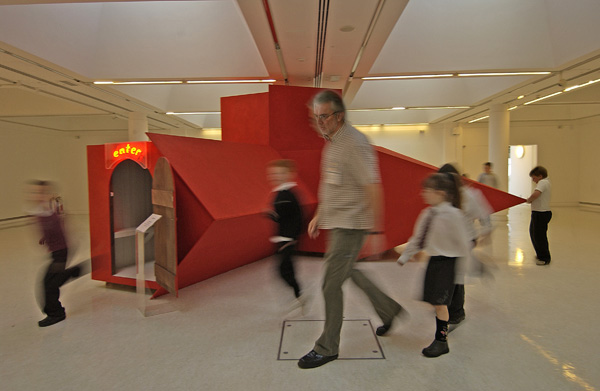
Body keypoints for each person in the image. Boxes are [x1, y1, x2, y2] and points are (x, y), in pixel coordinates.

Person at [297, 90, 403, 369]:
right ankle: (389, 309)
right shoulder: (332, 142)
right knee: (347, 272)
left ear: (339, 115)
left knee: (331, 283)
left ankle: (327, 347)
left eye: (324, 117)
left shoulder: (354, 143)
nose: (319, 123)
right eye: (315, 118)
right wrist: (320, 213)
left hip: (351, 224)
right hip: (338, 222)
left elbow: (372, 185)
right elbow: (334, 184)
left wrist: (378, 231)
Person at [397, 173, 471, 358]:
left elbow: (464, 242)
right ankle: (441, 337)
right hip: (434, 261)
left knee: (440, 303)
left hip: (449, 263)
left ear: (440, 193)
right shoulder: (428, 213)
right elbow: (418, 238)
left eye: (427, 191)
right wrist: (405, 256)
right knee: (434, 301)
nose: (423, 194)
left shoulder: (453, 215)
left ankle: (441, 340)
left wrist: (465, 269)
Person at [438, 163, 492, 325]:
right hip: (449, 240)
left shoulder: (470, 195)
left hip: (465, 240)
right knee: (451, 273)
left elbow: (485, 215)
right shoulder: (444, 195)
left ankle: (456, 311)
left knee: (456, 275)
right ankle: (450, 307)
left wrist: (485, 233)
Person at [27, 180, 81, 327]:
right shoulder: (42, 210)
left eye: (40, 192)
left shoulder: (50, 210)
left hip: (60, 252)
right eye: (34, 192)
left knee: (49, 285)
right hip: (56, 251)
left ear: (47, 194)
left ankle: (56, 313)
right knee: (51, 282)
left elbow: (58, 227)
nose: (36, 195)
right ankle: (72, 272)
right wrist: (45, 237)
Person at [265, 159, 303, 300]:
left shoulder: (287, 194)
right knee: (285, 268)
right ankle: (298, 293)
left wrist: (292, 238)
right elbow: (286, 215)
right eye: (273, 173)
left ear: (288, 174)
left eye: (279, 173)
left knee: (283, 269)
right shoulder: (281, 193)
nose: (275, 176)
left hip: (287, 238)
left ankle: (299, 293)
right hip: (284, 237)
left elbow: (296, 217)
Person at [526, 166, 552, 265]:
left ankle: (544, 258)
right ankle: (540, 254)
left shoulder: (543, 182)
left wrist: (529, 200)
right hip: (538, 213)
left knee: (539, 236)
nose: (533, 180)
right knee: (534, 233)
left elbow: (536, 194)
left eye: (534, 177)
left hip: (541, 213)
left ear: (540, 176)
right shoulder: (545, 182)